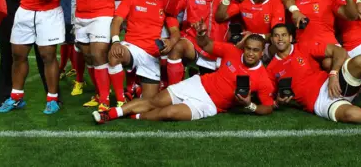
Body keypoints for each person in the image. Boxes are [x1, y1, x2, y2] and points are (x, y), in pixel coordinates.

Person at [92, 23, 275, 123]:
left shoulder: (263, 78)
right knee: (155, 101)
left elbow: (267, 106)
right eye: (249, 48)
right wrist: (202, 34)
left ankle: (137, 116)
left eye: (256, 50)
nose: (251, 53)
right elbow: (206, 45)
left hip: (210, 105)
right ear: (245, 48)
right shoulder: (232, 51)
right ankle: (112, 114)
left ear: (262, 52)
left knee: (169, 113)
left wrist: (249, 105)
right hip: (199, 85)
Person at [107, 0, 180, 106]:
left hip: (152, 55)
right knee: (115, 54)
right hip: (132, 47)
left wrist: (171, 42)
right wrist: (115, 41)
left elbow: (175, 31)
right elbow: (117, 20)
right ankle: (121, 101)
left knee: (149, 104)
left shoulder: (165, 3)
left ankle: (136, 90)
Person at [164, 0, 227, 85]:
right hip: (193, 42)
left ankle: (196, 75)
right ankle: (173, 91)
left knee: (210, 92)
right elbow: (169, 9)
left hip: (216, 48)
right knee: (178, 48)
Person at [283, 0, 359, 49]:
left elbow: (352, 16)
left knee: (329, 61)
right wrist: (294, 10)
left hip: (328, 46)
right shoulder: (294, 1)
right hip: (304, 49)